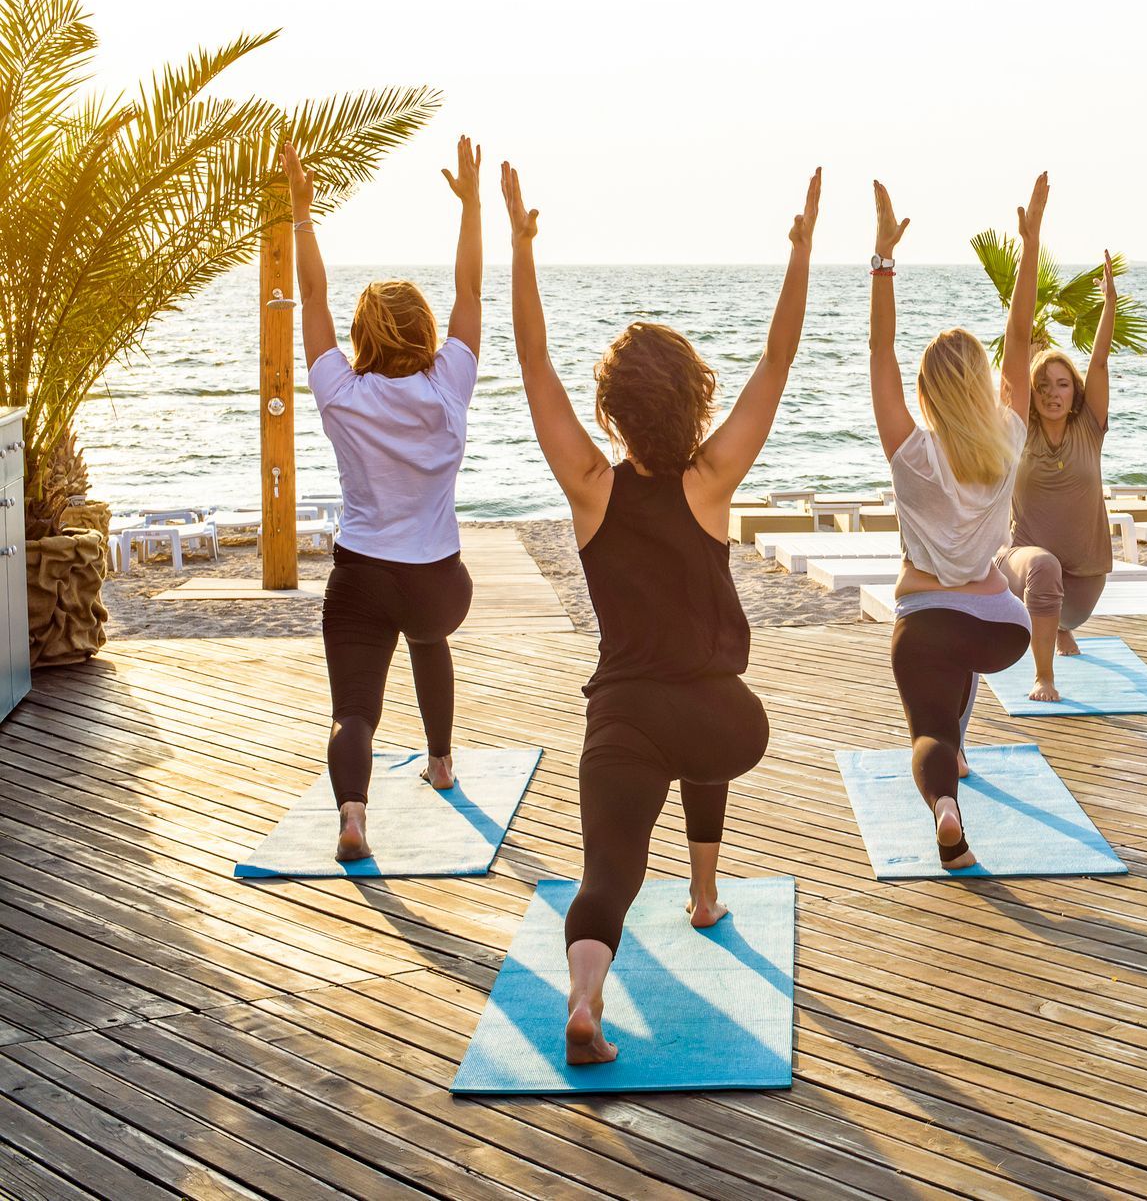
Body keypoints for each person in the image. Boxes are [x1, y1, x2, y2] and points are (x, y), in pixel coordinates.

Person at [500, 159, 820, 1066]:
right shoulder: (711, 482)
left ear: (611, 411)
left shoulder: (592, 488)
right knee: (707, 711)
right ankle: (707, 891)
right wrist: (800, 253)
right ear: (694, 400)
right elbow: (778, 359)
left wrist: (522, 251)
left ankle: (587, 997)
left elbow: (532, 364)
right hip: (723, 721)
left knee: (608, 875)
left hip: (622, 719)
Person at [281, 136, 483, 864]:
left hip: (362, 576)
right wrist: (471, 205)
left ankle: (354, 815)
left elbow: (311, 297)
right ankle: (440, 761)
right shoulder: (449, 383)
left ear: (363, 336)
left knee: (354, 710)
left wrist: (303, 215)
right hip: (438, 584)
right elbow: (470, 290)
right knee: (429, 639)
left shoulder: (341, 392)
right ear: (427, 332)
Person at [869, 174, 1039, 870]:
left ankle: (945, 804)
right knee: (959, 669)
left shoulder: (913, 455)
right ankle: (960, 819)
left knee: (927, 729)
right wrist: (1029, 247)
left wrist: (883, 259)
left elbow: (879, 352)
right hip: (1003, 628)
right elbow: (1022, 337)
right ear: (982, 381)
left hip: (924, 616)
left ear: (925, 391)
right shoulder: (1008, 439)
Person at [994, 251, 1121, 702]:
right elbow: (1014, 343)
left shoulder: (1090, 428)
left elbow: (1101, 361)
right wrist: (1030, 245)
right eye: (1043, 385)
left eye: (1062, 383)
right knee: (1043, 567)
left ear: (1075, 391)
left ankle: (1062, 627)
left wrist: (1109, 304)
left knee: (1062, 602)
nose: (1052, 393)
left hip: (1085, 580)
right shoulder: (1018, 430)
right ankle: (1044, 676)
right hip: (1022, 565)